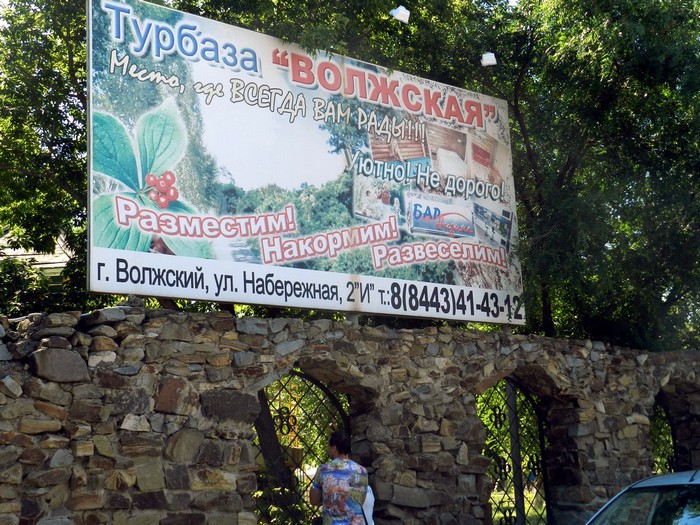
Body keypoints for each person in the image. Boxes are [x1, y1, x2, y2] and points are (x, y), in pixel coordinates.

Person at [310, 431, 368, 524]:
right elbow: (361, 500)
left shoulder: (323, 470)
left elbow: (313, 500)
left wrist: (328, 498)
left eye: (328, 446)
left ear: (334, 448)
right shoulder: (362, 471)